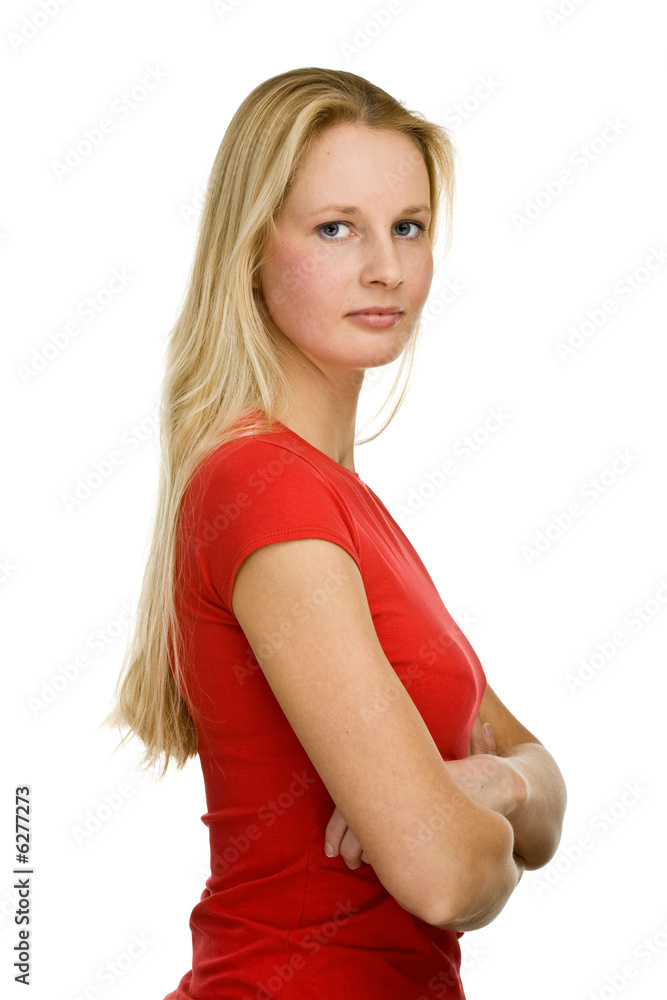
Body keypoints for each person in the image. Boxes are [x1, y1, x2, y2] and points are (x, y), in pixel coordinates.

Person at [102, 67, 567, 999]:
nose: (386, 267)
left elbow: (543, 794)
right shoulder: (268, 492)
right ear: (250, 250)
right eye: (334, 228)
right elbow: (445, 877)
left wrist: (496, 787)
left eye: (409, 227)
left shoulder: (340, 502)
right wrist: (472, 821)